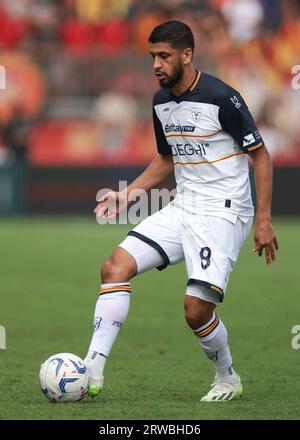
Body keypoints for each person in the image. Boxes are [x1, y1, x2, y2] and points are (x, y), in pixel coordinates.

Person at [84, 20, 279, 402]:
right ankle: (91, 368)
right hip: (183, 206)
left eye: (164, 56)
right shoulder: (161, 102)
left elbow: (262, 157)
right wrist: (130, 194)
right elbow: (166, 158)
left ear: (187, 55)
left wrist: (264, 220)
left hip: (223, 213)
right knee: (114, 267)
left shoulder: (223, 98)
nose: (156, 64)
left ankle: (227, 377)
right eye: (152, 56)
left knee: (195, 311)